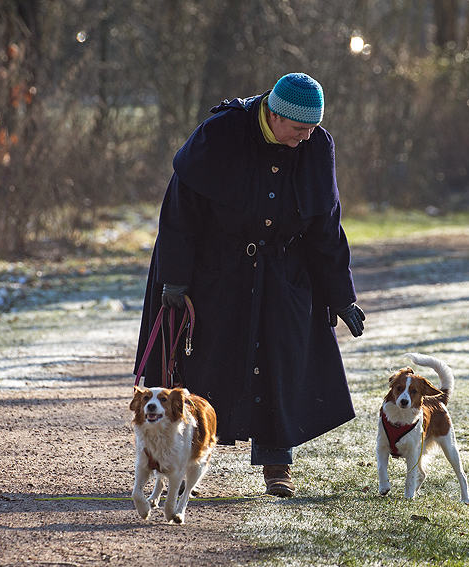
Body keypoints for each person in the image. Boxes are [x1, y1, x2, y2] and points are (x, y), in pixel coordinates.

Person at [134, 72, 365, 497]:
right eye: (298, 129)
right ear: (274, 115)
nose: (306, 137)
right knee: (204, 364)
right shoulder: (220, 134)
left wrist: (341, 294)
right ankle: (188, 461)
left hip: (283, 273)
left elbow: (326, 227)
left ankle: (278, 465)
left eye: (312, 129)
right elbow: (180, 214)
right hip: (214, 273)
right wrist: (175, 279)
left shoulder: (317, 145)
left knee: (281, 363)